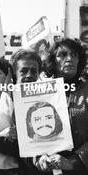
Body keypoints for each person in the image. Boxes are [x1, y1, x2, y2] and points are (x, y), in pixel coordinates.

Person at [32, 38, 88, 175]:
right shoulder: (39, 91)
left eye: (74, 55)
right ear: (52, 61)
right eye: (62, 55)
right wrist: (39, 157)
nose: (70, 59)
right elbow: (31, 132)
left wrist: (74, 162)